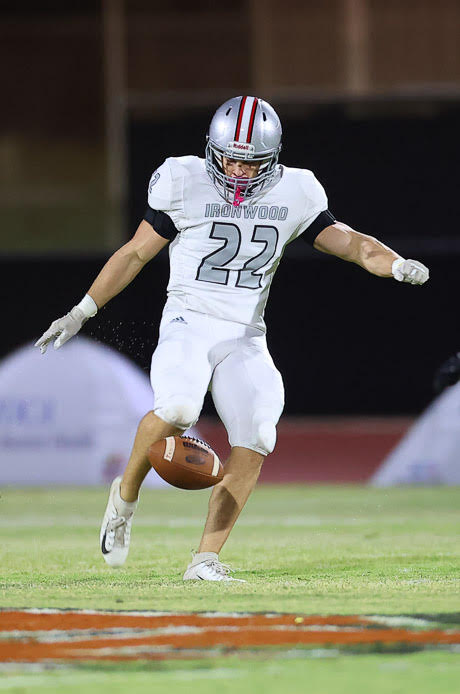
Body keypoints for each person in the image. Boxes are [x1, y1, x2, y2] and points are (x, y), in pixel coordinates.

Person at [36, 95, 430, 582]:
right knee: (178, 409)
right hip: (189, 320)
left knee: (258, 433)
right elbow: (135, 253)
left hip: (245, 334)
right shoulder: (184, 180)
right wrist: (82, 311)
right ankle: (125, 498)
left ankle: (204, 560)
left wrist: (394, 264)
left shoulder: (296, 190)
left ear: (273, 158)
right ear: (211, 150)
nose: (239, 171)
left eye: (251, 161)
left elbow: (351, 244)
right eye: (230, 158)